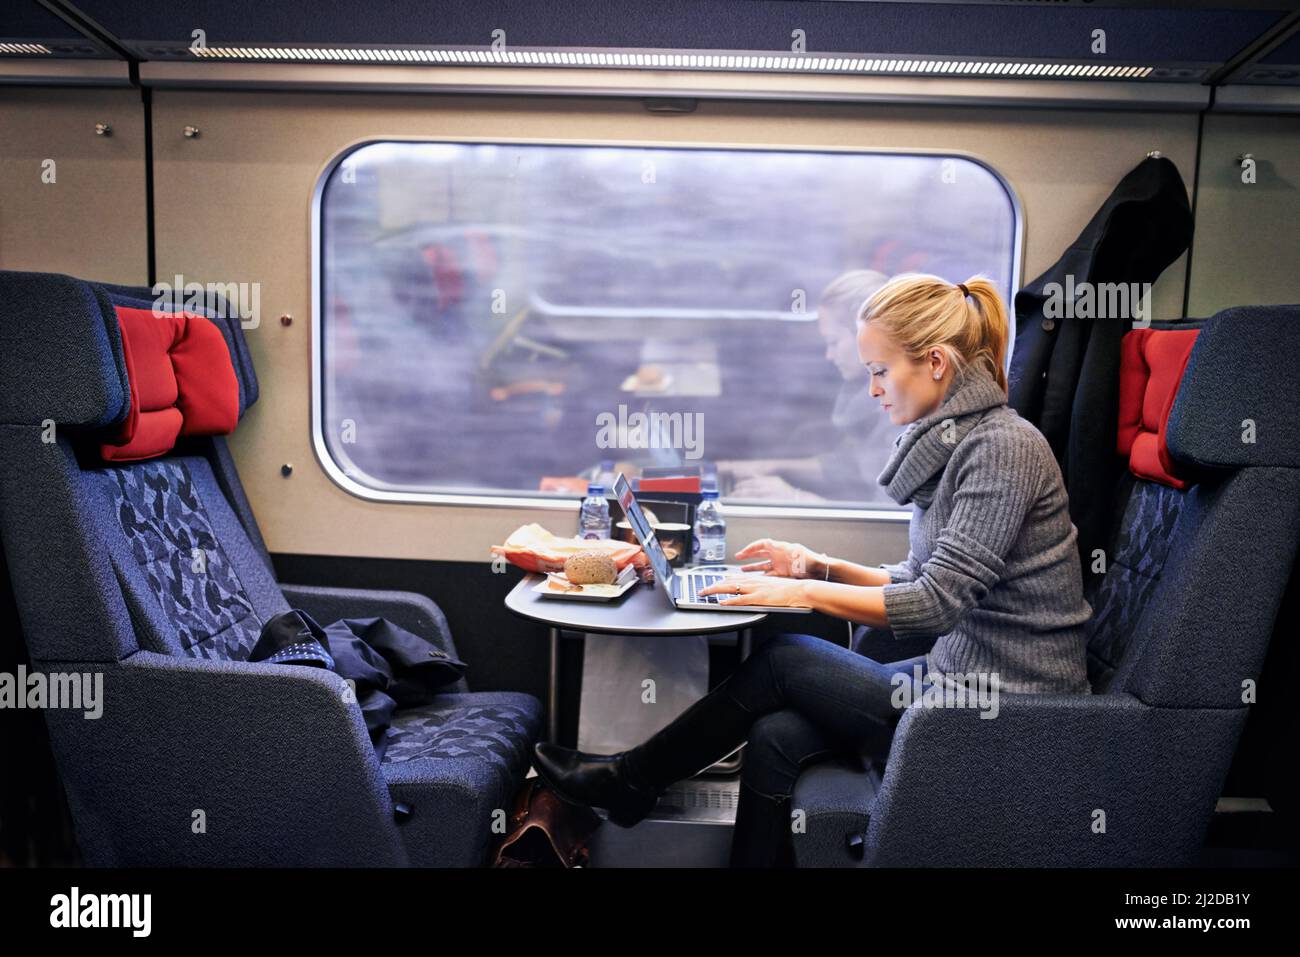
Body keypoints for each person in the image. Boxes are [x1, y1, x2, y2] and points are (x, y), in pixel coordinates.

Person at [531, 273, 1093, 867]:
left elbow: (935, 604)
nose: (872, 389)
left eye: (880, 371)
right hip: (952, 678)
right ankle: (635, 789)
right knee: (775, 737)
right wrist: (815, 565)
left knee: (785, 658)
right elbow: (917, 579)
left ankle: (628, 780)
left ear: (934, 362)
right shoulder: (960, 443)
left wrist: (798, 590)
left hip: (1012, 707)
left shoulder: (1002, 447)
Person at [719, 270, 903, 504]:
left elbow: (887, 516)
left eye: (833, 342)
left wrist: (794, 498)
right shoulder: (865, 394)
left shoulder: (900, 411)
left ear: (866, 338)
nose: (829, 355)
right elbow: (852, 467)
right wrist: (771, 466)